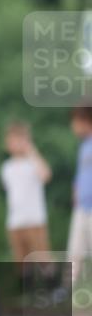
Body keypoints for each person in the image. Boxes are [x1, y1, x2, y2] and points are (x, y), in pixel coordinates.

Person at [0, 122, 52, 279]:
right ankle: (27, 290)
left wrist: (31, 151)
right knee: (22, 263)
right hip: (15, 221)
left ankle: (52, 287)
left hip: (34, 219)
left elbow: (45, 175)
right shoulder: (6, 167)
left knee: (43, 259)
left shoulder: (33, 164)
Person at [67, 104, 92, 288]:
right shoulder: (84, 146)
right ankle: (69, 290)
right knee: (74, 252)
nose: (72, 126)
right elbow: (79, 176)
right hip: (81, 208)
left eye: (74, 121)